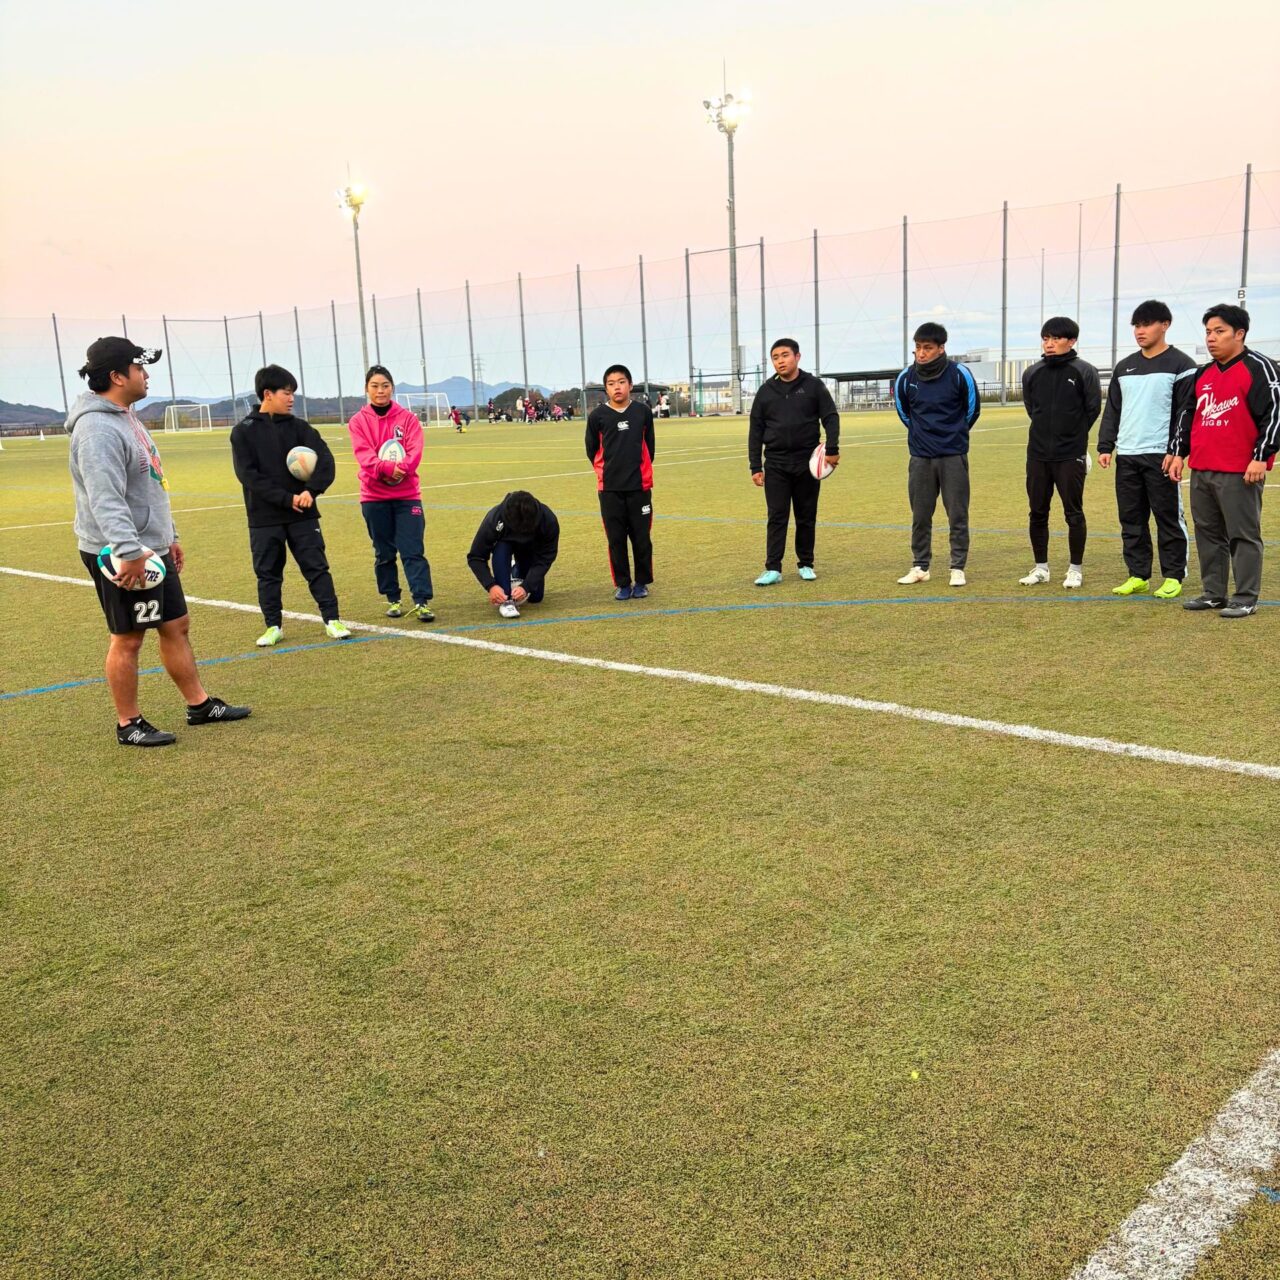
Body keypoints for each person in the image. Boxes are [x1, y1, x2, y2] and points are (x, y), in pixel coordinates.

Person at [67, 336, 249, 747]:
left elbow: (148, 484)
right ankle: (128, 723)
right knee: (129, 637)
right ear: (116, 376)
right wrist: (129, 553)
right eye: (139, 368)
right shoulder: (97, 428)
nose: (146, 375)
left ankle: (199, 705)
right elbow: (105, 498)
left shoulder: (126, 416)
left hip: (151, 545)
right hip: (120, 552)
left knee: (176, 625)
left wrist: (169, 538)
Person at [1165, 304, 1280, 618]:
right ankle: (1214, 593)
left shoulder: (1260, 368)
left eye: (1219, 331)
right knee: (1208, 533)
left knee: (1242, 534)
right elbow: (1188, 415)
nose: (1211, 338)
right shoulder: (1203, 373)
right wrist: (1178, 453)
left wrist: (1261, 456)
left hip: (1240, 471)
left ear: (1239, 334)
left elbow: (1275, 415)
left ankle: (1245, 597)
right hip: (1202, 468)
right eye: (1208, 332)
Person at [230, 365, 351, 646]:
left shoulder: (301, 428)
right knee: (268, 574)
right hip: (264, 518)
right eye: (286, 392)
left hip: (303, 515)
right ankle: (273, 626)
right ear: (267, 394)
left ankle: (332, 620)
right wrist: (286, 498)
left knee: (317, 568)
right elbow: (248, 476)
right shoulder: (243, 432)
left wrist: (312, 491)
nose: (291, 398)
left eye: (293, 393)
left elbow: (326, 461)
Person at [1097, 300, 1197, 599]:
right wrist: (1106, 445)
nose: (1140, 331)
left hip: (1161, 456)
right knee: (1131, 518)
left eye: (1147, 324)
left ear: (1164, 325)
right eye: (1136, 326)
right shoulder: (1125, 366)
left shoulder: (1182, 365)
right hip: (1127, 454)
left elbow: (1186, 411)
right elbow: (1113, 408)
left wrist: (1177, 450)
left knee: (1167, 517)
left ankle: (1173, 576)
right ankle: (1138, 574)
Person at [892, 322, 980, 586]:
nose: (921, 353)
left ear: (941, 348)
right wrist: (923, 436)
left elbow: (972, 411)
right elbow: (904, 412)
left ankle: (957, 567)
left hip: (953, 455)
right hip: (920, 457)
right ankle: (920, 566)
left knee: (957, 514)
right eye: (917, 348)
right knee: (920, 515)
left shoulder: (959, 374)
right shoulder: (906, 378)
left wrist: (953, 435)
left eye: (927, 348)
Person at [1017, 317, 1102, 589]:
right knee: (1037, 513)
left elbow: (1092, 410)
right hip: (1038, 455)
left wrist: (1073, 438)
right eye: (1045, 338)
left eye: (1055, 338)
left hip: (1070, 455)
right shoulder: (1032, 373)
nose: (1049, 344)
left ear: (1072, 341)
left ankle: (1075, 569)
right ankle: (1041, 567)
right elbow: (1032, 409)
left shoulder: (1084, 371)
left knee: (1073, 513)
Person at [748, 338, 840, 585]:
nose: (780, 361)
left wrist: (832, 448)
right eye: (775, 357)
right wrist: (755, 466)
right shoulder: (766, 391)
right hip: (776, 463)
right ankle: (773, 569)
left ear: (797, 357)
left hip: (807, 462)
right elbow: (755, 430)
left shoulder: (813, 386)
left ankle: (806, 563)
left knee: (806, 515)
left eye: (785, 355)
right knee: (777, 515)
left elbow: (830, 417)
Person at [347, 365, 435, 622]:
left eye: (385, 385)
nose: (380, 391)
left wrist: (402, 469)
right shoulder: (358, 422)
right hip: (374, 497)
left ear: (392, 388)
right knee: (384, 552)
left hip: (407, 496)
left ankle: (422, 601)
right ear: (367, 389)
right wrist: (386, 469)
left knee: (412, 550)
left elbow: (414, 450)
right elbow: (364, 455)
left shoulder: (407, 419)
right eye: (374, 386)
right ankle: (393, 599)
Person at [586, 364, 656, 600]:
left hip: (639, 487)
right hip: (610, 490)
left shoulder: (642, 412)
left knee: (641, 538)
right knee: (616, 539)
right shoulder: (597, 416)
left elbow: (650, 446)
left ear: (630, 385)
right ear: (606, 389)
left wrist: (642, 471)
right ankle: (623, 584)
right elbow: (592, 450)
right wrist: (606, 472)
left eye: (621, 382)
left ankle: (642, 583)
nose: (617, 387)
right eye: (611, 383)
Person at [466, 490, 560, 619]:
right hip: (503, 548)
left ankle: (515, 569)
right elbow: (476, 557)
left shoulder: (548, 520)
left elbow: (546, 557)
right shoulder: (495, 518)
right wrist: (491, 586)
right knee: (502, 547)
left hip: (529, 549)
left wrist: (526, 586)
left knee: (536, 597)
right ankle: (505, 599)